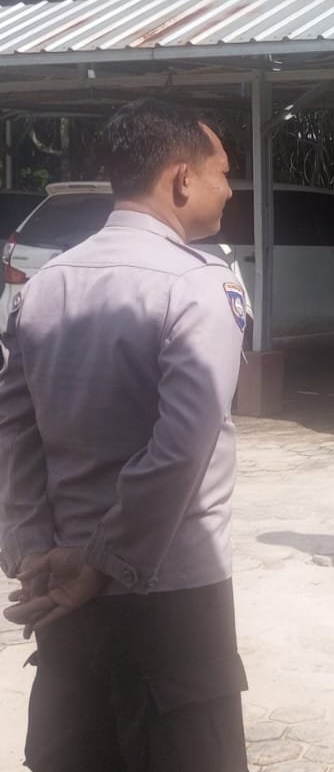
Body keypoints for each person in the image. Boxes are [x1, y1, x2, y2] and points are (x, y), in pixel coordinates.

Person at [0, 98, 248, 772]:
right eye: (223, 172)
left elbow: (14, 427)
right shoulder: (198, 285)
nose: (230, 189)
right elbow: (180, 448)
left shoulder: (46, 284)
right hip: (169, 590)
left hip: (62, 588)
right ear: (181, 179)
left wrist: (32, 545)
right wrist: (103, 560)